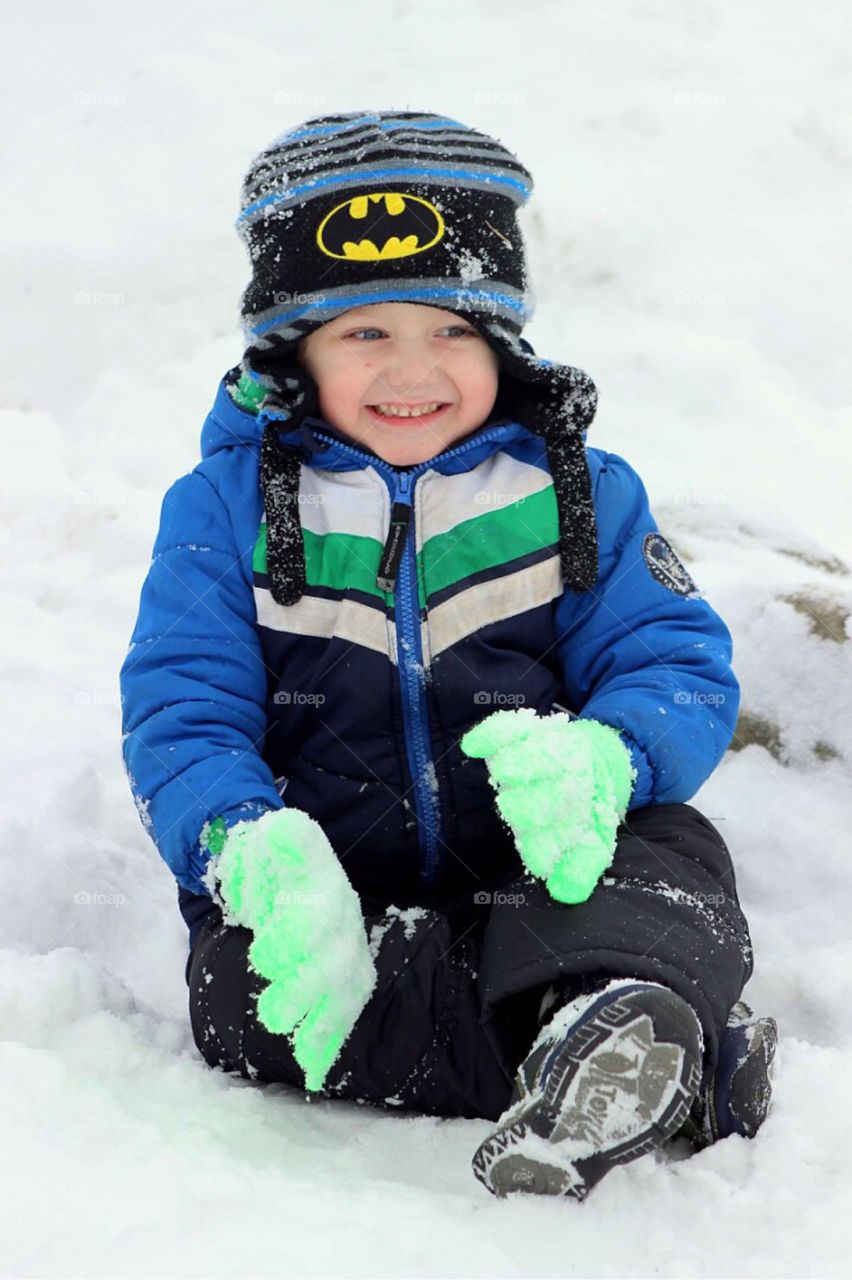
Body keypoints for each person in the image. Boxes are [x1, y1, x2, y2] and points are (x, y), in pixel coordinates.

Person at [119, 110, 777, 1200]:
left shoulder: (577, 492)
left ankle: (608, 1017)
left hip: (542, 867)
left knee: (674, 856)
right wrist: (246, 847)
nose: (413, 369)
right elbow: (181, 711)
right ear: (294, 356)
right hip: (341, 895)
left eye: (452, 330)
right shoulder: (221, 509)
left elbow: (674, 658)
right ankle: (636, 1053)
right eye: (366, 334)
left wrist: (611, 757)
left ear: (503, 339)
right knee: (244, 998)